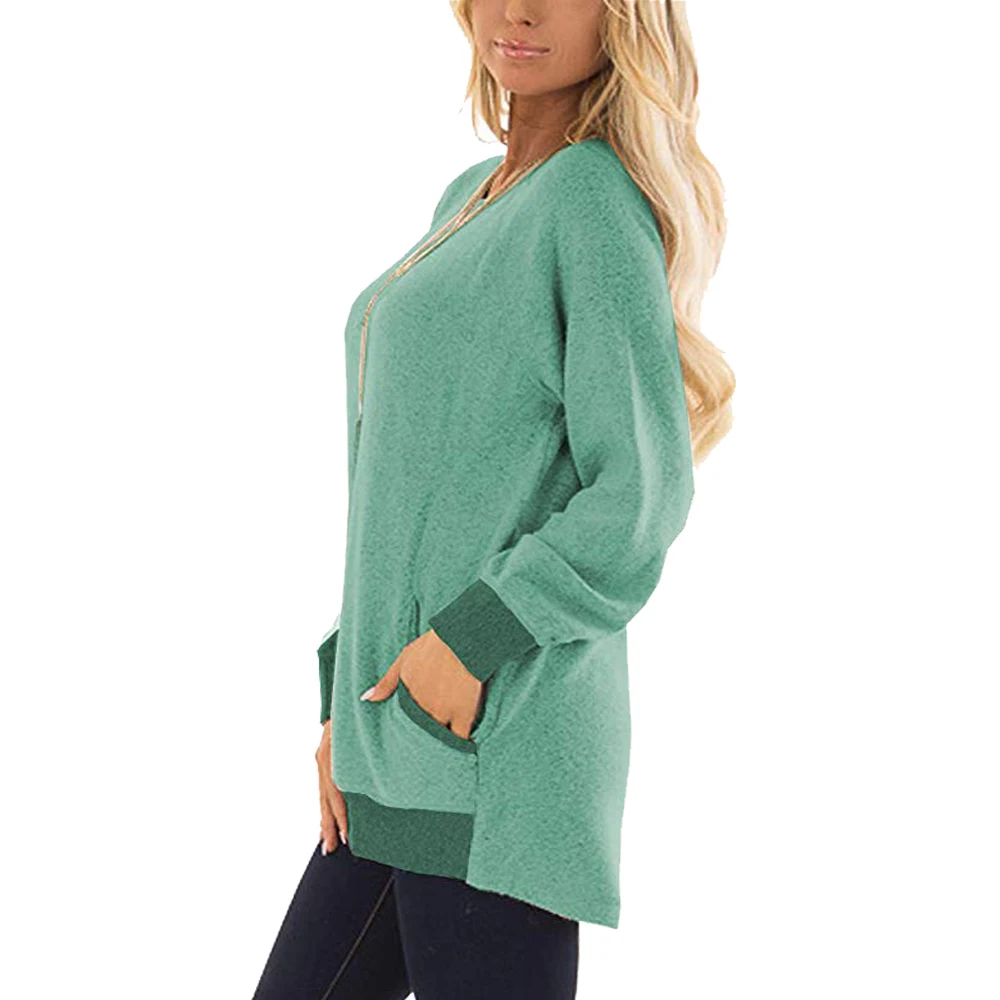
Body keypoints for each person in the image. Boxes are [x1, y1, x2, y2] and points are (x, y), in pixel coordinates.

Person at [252, 1, 733, 996]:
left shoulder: (591, 201)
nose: (520, 9)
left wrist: (466, 644)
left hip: (497, 749)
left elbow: (640, 490)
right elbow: (410, 482)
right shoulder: (470, 197)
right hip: (395, 737)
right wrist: (349, 700)